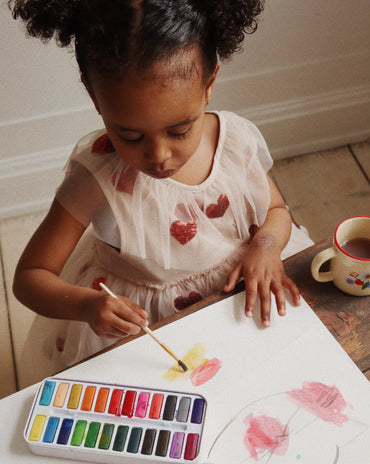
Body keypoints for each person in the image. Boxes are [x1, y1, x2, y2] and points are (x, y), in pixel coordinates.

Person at [10, 0, 313, 384]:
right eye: (130, 135)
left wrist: (267, 247)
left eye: (180, 130)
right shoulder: (97, 176)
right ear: (93, 96)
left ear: (209, 83)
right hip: (146, 334)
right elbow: (30, 276)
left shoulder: (233, 141)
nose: (158, 155)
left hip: (236, 300)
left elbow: (276, 210)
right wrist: (89, 306)